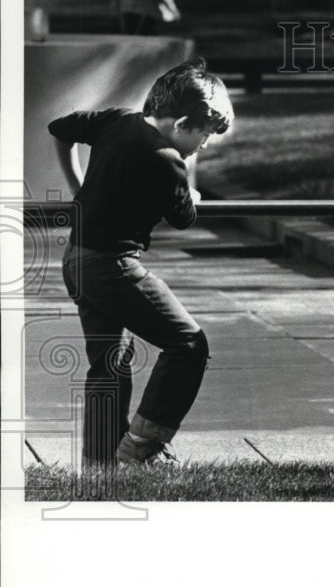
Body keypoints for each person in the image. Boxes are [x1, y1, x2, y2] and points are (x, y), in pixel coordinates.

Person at [50, 58, 234, 466]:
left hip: (77, 259)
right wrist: (192, 190)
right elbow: (184, 218)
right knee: (189, 344)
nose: (204, 143)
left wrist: (78, 188)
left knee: (109, 365)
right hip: (114, 265)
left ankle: (101, 467)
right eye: (205, 133)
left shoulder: (117, 119)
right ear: (184, 122)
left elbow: (60, 129)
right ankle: (139, 448)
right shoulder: (167, 159)